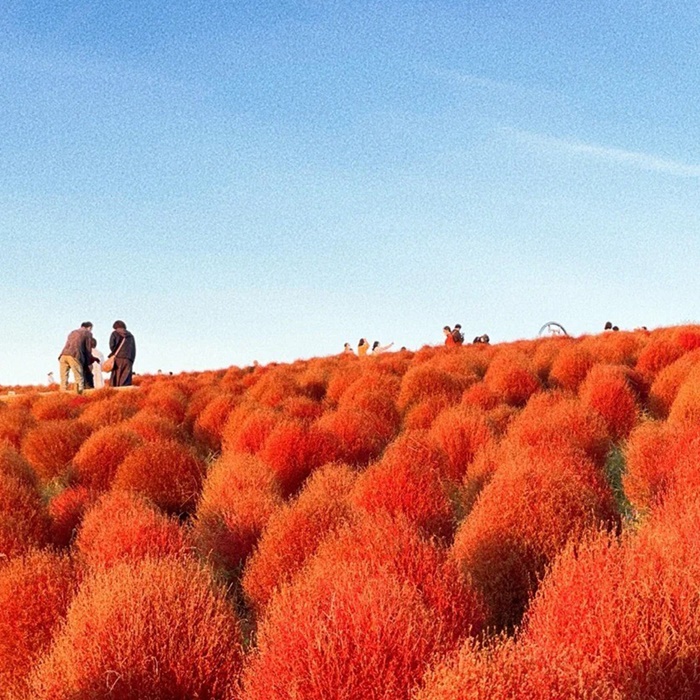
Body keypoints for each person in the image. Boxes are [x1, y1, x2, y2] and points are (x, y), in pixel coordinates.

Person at [58, 322, 94, 393]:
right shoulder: (88, 333)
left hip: (63, 355)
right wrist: (88, 362)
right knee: (79, 377)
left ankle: (62, 393)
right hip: (74, 355)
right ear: (89, 327)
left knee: (64, 378)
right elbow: (88, 349)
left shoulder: (72, 332)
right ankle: (79, 394)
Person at [108, 320, 136, 387]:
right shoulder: (131, 336)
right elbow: (133, 349)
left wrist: (114, 353)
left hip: (118, 358)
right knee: (126, 379)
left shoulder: (115, 333)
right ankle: (124, 394)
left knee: (116, 377)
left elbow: (111, 345)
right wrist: (131, 360)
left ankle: (116, 395)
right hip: (128, 359)